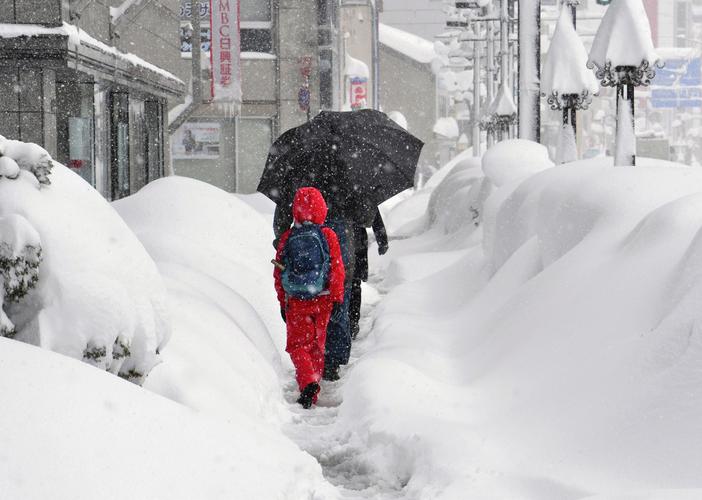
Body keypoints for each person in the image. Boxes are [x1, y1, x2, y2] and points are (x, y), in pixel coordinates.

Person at [274, 187, 345, 409]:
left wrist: (282, 300)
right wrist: (336, 298)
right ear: (322, 208)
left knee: (297, 346)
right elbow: (337, 270)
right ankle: (313, 381)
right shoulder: (328, 236)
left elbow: (278, 272)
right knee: (316, 345)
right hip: (322, 300)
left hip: (296, 301)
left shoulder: (287, 238)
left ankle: (307, 384)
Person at [349, 209, 388, 339]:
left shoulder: (325, 191)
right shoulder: (361, 191)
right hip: (356, 242)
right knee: (354, 285)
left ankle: (347, 322)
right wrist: (382, 240)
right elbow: (372, 211)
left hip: (338, 240)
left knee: (343, 285)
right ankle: (352, 322)